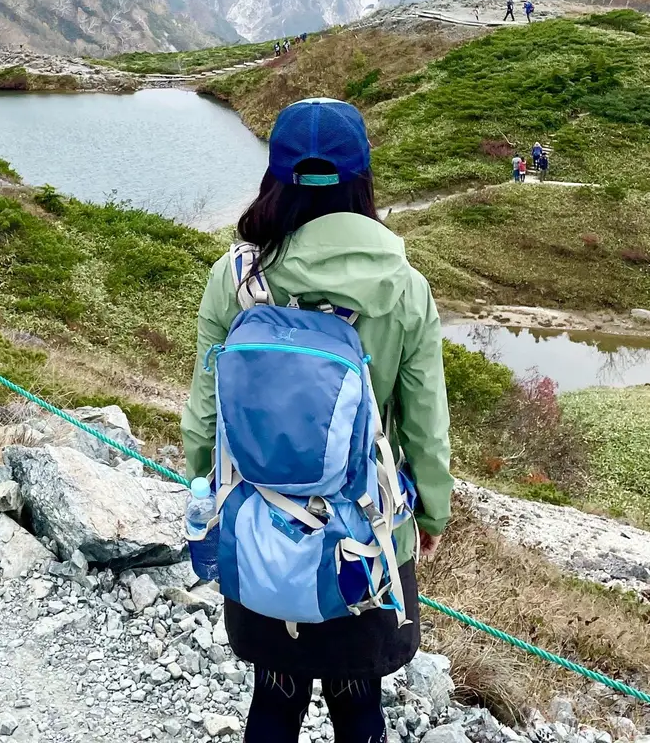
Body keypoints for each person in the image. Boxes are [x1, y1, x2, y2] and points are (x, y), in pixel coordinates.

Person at [182, 98, 453, 743]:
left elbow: (204, 416)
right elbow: (425, 426)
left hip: (259, 528)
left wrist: (208, 494)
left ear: (274, 177)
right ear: (361, 180)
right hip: (364, 539)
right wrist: (431, 516)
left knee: (274, 696)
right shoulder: (405, 289)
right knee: (358, 703)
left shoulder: (236, 279)